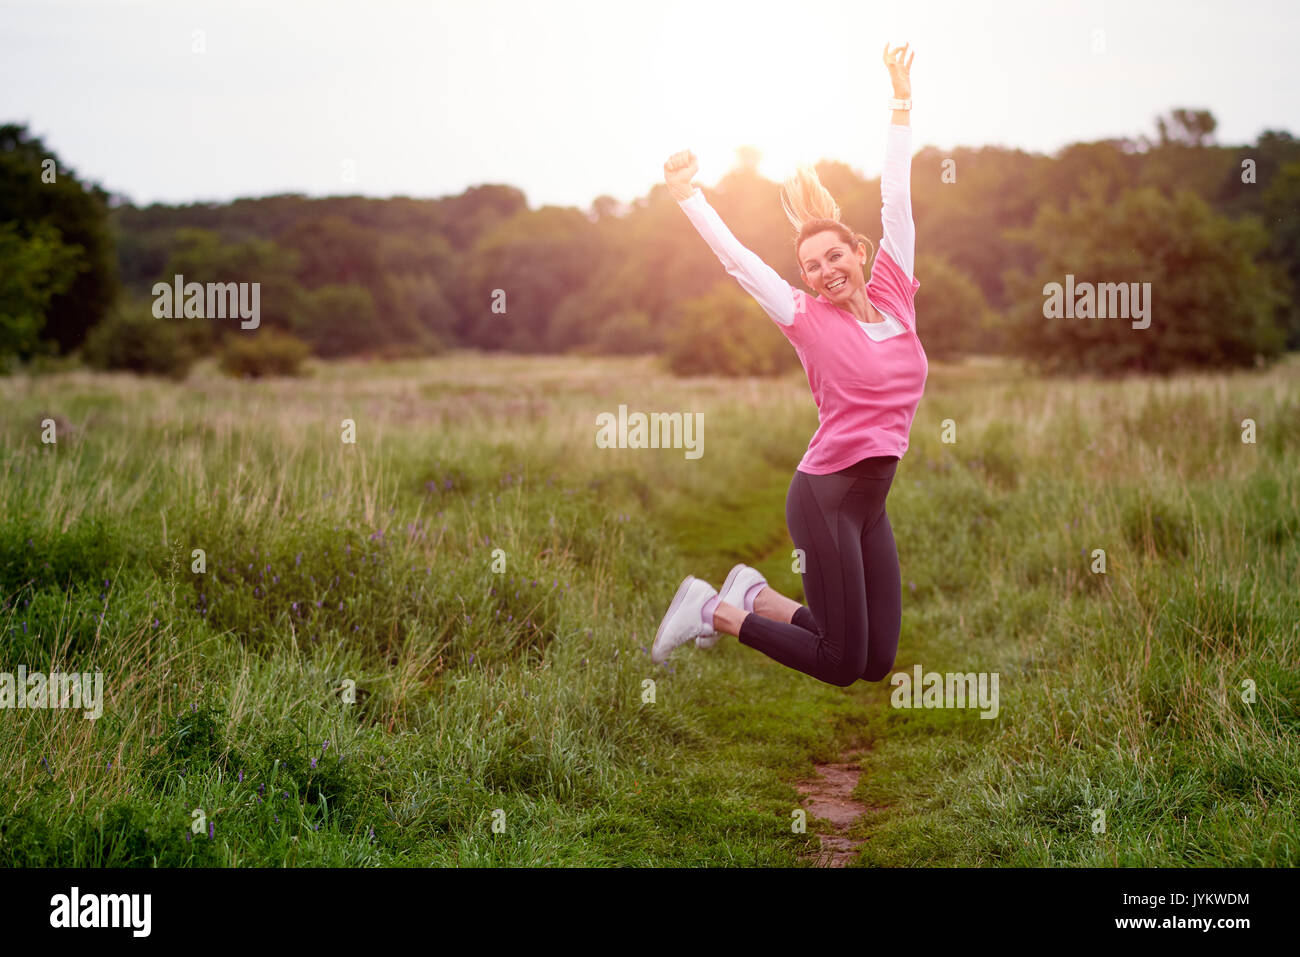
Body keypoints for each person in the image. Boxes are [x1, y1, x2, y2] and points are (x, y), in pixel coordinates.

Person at [652, 42, 925, 687]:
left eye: (835, 257)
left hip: (871, 502)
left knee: (876, 661)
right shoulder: (807, 319)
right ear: (804, 277)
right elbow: (740, 261)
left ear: (858, 253)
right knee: (839, 662)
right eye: (811, 267)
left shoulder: (894, 294)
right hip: (825, 496)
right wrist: (688, 195)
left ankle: (758, 597)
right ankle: (713, 610)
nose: (826, 271)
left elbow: (897, 196)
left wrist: (901, 99)